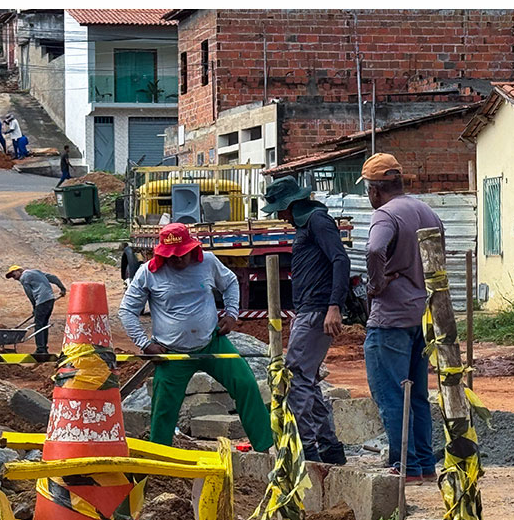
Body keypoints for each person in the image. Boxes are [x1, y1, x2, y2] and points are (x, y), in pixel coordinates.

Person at [118, 222, 273, 451]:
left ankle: (265, 448)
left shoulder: (208, 262)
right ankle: (160, 459)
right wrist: (145, 344)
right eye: (172, 257)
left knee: (246, 384)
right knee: (164, 409)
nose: (178, 260)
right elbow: (127, 311)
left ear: (192, 250)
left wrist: (231, 314)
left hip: (212, 343)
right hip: (171, 353)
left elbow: (230, 283)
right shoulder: (148, 273)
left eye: (182, 255)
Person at [261, 175, 350, 465]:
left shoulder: (317, 221)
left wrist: (334, 305)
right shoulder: (308, 223)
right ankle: (329, 447)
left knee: (296, 376)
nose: (281, 217)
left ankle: (306, 448)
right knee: (307, 380)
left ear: (291, 204)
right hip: (309, 310)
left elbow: (340, 260)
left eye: (281, 210)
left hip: (317, 310)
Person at [361, 152, 437, 482]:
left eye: (368, 188)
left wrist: (377, 283)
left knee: (391, 393)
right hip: (423, 314)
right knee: (417, 395)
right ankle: (423, 464)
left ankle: (402, 464)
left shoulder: (385, 215)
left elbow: (374, 250)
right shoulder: (426, 210)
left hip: (390, 318)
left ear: (375, 189)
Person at [5, 265, 66, 355]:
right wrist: (62, 288)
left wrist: (35, 307)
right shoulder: (36, 272)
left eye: (13, 275)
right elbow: (53, 278)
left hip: (41, 301)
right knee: (43, 324)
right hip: (50, 300)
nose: (14, 278)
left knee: (38, 325)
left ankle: (40, 349)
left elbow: (29, 294)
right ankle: (43, 348)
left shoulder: (24, 277)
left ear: (18, 270)